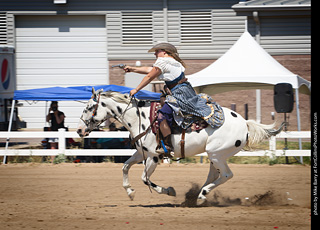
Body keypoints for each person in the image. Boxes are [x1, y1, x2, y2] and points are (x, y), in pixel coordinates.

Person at [123, 43, 215, 156]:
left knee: (162, 115)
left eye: (157, 51)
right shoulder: (171, 62)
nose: (155, 53)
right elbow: (151, 70)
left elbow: (149, 76)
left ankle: (167, 145)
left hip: (179, 93)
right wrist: (133, 69)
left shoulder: (163, 61)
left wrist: (136, 90)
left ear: (165, 52)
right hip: (184, 91)